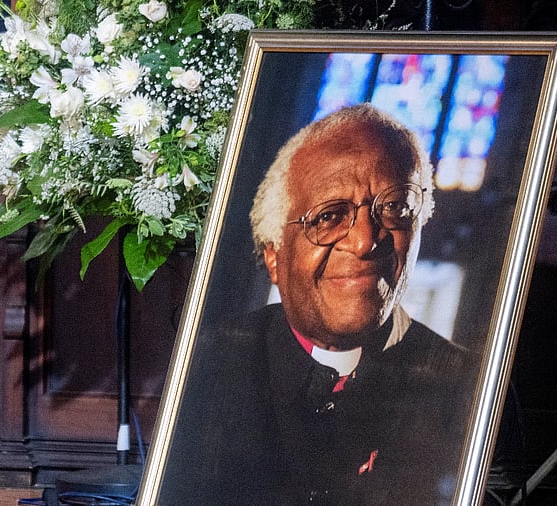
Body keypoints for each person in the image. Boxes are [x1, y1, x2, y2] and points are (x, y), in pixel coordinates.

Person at [158, 104, 478, 505]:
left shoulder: (470, 386)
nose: (364, 241)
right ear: (274, 257)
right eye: (329, 216)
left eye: (395, 207)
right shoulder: (207, 364)